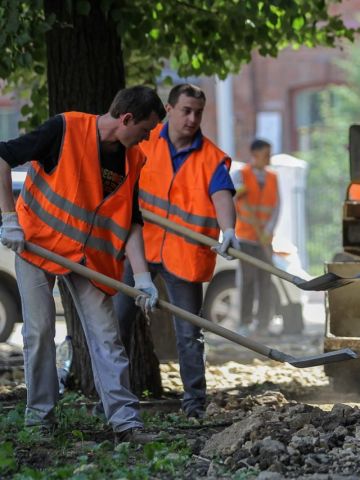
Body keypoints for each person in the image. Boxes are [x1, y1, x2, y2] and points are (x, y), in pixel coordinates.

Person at [0, 86, 165, 444]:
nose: (147, 137)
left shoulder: (133, 160)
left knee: (107, 335)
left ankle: (126, 423)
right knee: (39, 331)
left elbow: (132, 219)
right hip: (37, 244)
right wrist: (8, 218)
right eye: (145, 129)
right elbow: (2, 156)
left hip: (87, 258)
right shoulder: (65, 129)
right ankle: (39, 420)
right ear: (126, 119)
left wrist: (142, 277)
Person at [113, 83, 238, 420]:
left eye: (198, 112)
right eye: (186, 110)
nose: (192, 118)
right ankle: (112, 400)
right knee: (117, 324)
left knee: (189, 334)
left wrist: (229, 230)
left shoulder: (210, 157)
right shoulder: (143, 139)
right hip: (139, 247)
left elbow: (222, 194)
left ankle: (194, 405)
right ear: (168, 110)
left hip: (183, 256)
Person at [231, 139, 280, 336]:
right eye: (266, 153)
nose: (269, 157)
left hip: (264, 239)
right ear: (255, 154)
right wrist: (237, 194)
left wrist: (268, 231)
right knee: (248, 281)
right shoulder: (240, 175)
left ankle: (263, 324)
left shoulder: (273, 177)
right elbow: (229, 198)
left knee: (265, 281)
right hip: (245, 238)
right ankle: (244, 323)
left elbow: (276, 207)